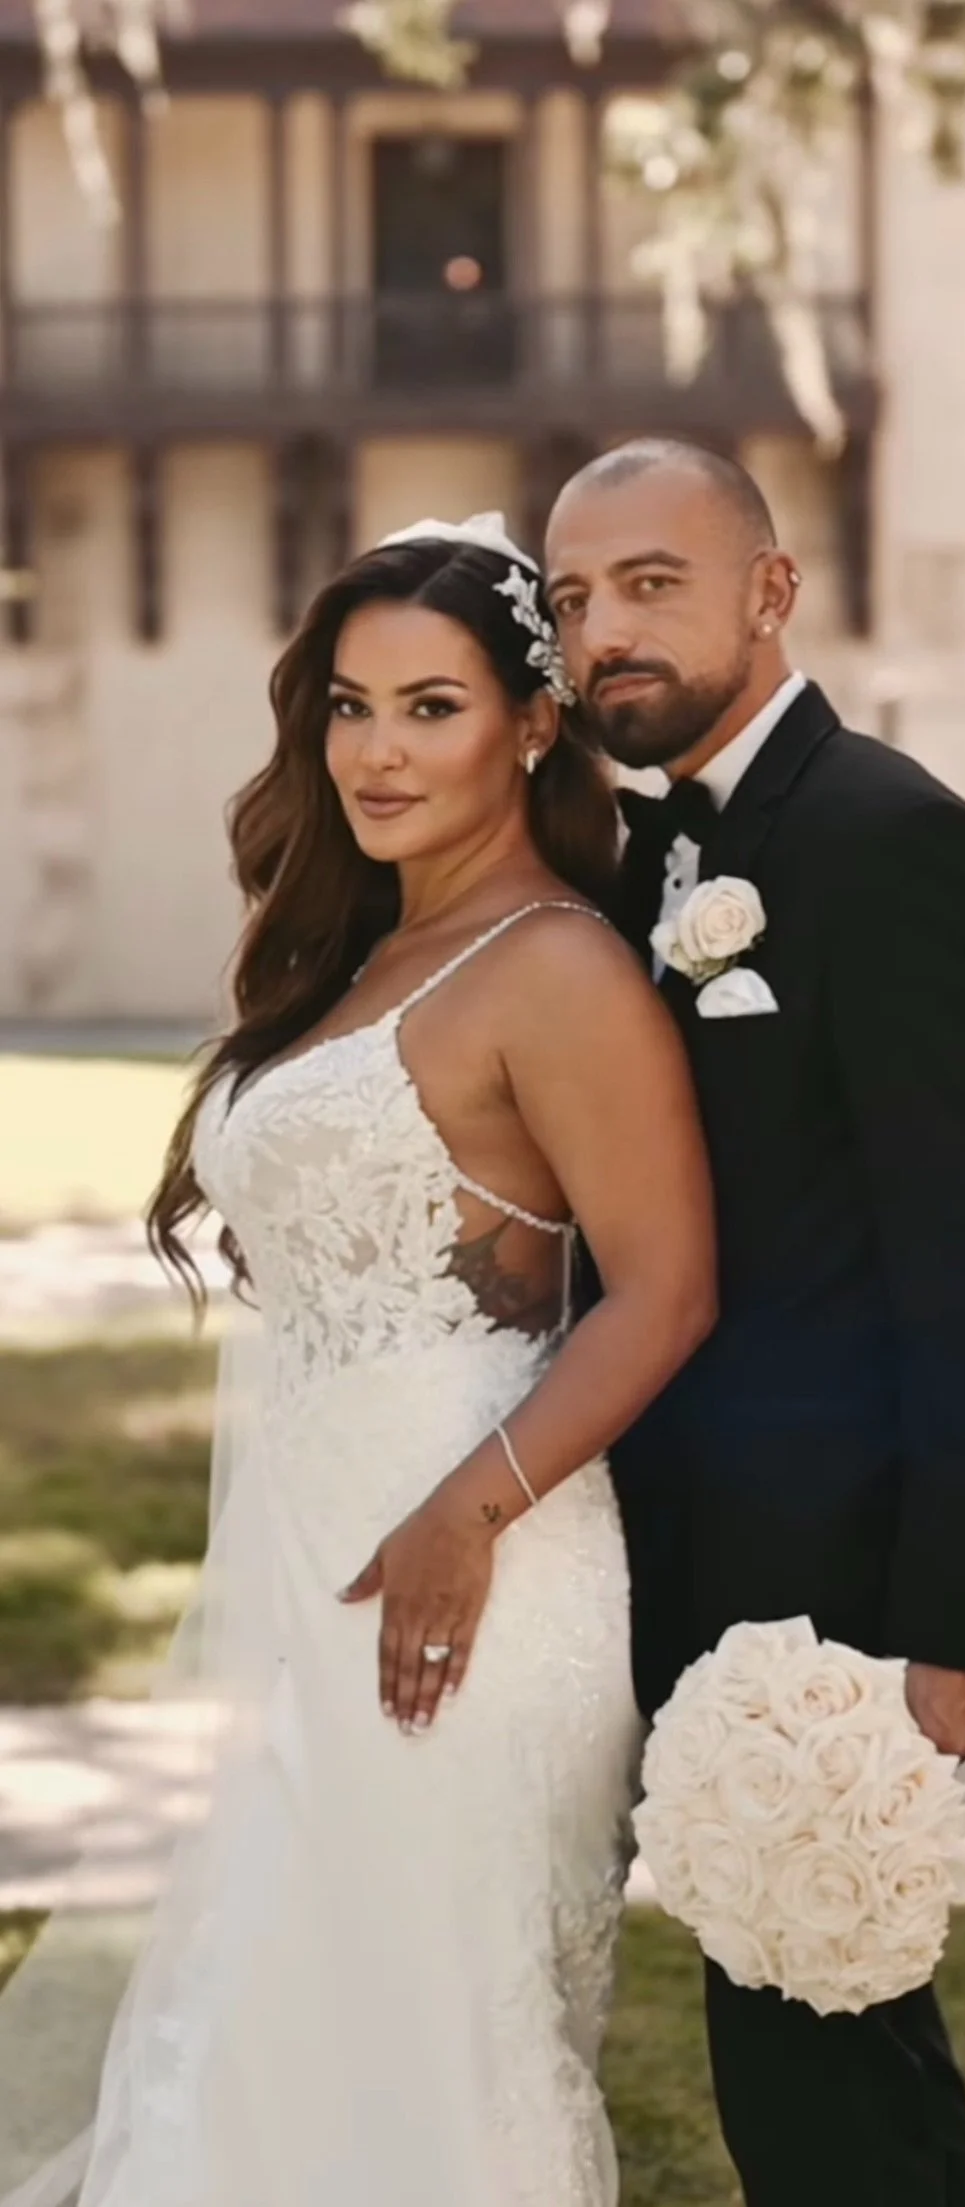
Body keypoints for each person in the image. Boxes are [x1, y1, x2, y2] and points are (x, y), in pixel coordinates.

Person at [0, 514, 716, 2207]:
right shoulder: (360, 950)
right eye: (347, 705)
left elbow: (665, 1291)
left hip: (478, 1562)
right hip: (314, 1543)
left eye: (430, 707)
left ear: (530, 726)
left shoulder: (554, 965)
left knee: (417, 2035)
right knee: (267, 2011)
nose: (375, 752)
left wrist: (462, 1518)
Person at [546, 441, 965, 2207]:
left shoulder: (897, 845)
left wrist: (955, 1628)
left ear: (770, 590)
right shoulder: (633, 864)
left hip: (839, 1597)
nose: (602, 628)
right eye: (571, 598)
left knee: (838, 2076)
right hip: (675, 1564)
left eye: (650, 582)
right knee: (779, 2073)